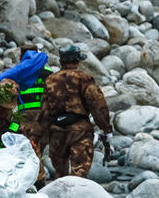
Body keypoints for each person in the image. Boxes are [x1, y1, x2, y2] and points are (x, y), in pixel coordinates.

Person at [34, 45, 113, 179]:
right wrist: (106, 129)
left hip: (57, 131)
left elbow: (44, 110)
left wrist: (38, 136)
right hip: (80, 131)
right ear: (77, 61)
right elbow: (98, 106)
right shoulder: (85, 79)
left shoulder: (50, 80)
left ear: (61, 61)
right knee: (79, 174)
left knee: (60, 175)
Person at [17, 44, 54, 189]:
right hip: (45, 115)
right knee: (39, 148)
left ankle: (39, 182)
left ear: (22, 56)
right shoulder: (48, 71)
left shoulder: (20, 70)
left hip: (27, 116)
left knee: (33, 150)